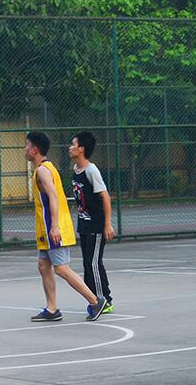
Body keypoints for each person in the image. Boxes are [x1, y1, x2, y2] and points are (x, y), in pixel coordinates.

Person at [24, 131, 106, 323]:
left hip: (54, 227)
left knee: (61, 268)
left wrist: (54, 226)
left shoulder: (43, 171)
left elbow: (53, 197)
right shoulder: (45, 168)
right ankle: (52, 309)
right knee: (44, 265)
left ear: (34, 150)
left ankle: (95, 301)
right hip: (46, 228)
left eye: (26, 146)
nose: (24, 150)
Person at [69, 131, 115, 314]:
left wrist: (107, 224)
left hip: (96, 225)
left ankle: (104, 300)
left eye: (73, 144)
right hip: (84, 224)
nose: (70, 147)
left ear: (81, 149)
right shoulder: (76, 170)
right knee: (88, 264)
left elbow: (105, 197)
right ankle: (97, 298)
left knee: (94, 263)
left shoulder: (91, 171)